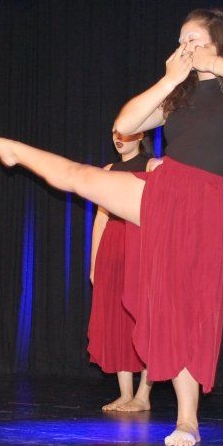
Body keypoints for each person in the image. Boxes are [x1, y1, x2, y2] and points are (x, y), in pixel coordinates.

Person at [0, 9, 223, 446]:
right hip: (163, 189)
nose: (185, 47)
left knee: (184, 308)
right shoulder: (178, 96)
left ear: (217, 43)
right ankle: (14, 150)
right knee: (81, 177)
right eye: (181, 40)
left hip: (199, 202)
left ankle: (188, 420)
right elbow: (124, 125)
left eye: (194, 39)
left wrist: (211, 63)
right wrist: (170, 80)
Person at [89, 130, 153, 411]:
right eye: (115, 133)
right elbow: (100, 220)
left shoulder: (151, 165)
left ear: (140, 136)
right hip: (113, 245)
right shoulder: (108, 170)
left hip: (141, 241)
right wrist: (94, 263)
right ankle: (126, 394)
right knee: (117, 318)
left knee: (145, 318)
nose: (119, 138)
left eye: (126, 133)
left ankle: (143, 396)